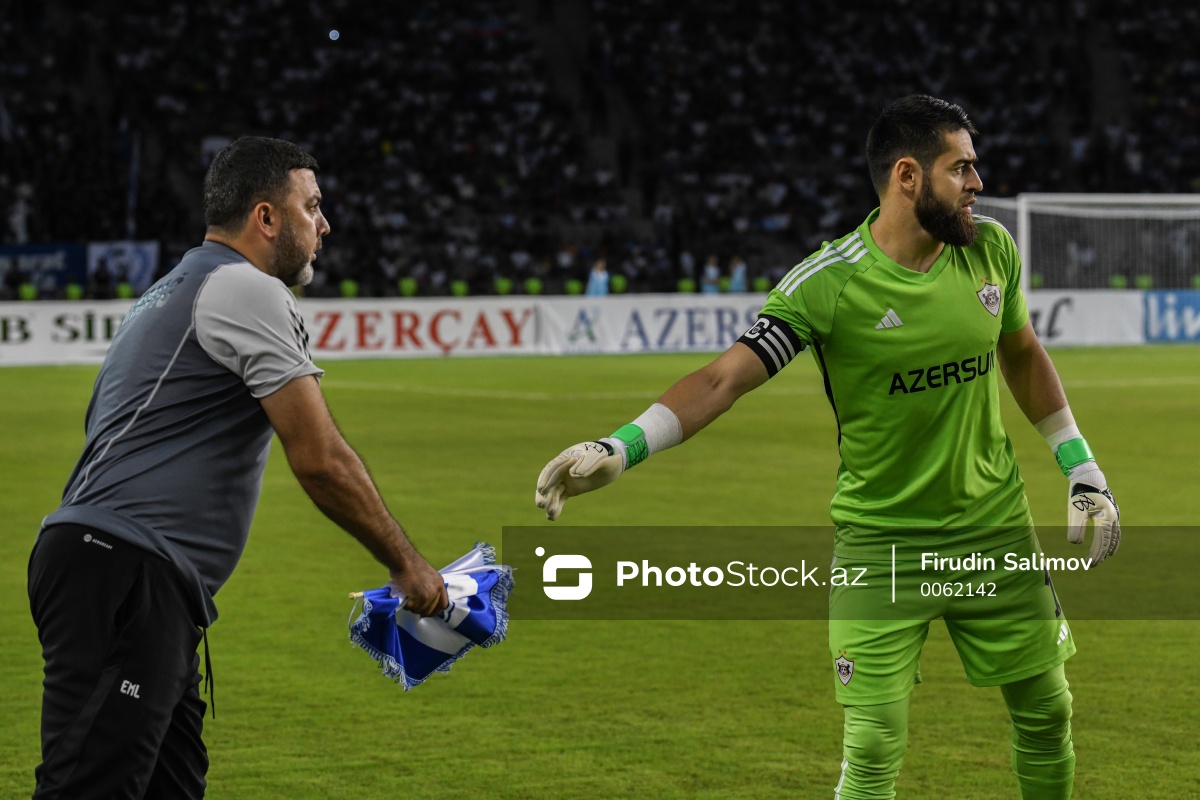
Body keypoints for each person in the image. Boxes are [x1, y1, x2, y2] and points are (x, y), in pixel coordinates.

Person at [534, 96, 1121, 799]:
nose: (978, 183)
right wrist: (622, 446)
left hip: (994, 531)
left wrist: (1080, 465)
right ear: (908, 176)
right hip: (881, 545)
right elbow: (724, 378)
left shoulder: (991, 249)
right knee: (871, 749)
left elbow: (1022, 355)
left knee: (1048, 712)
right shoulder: (830, 282)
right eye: (961, 167)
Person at [27, 136, 448, 800]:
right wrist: (406, 563)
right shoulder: (244, 288)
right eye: (312, 206)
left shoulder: (171, 290)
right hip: (128, 571)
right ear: (266, 218)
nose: (325, 224)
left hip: (117, 568)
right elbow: (321, 461)